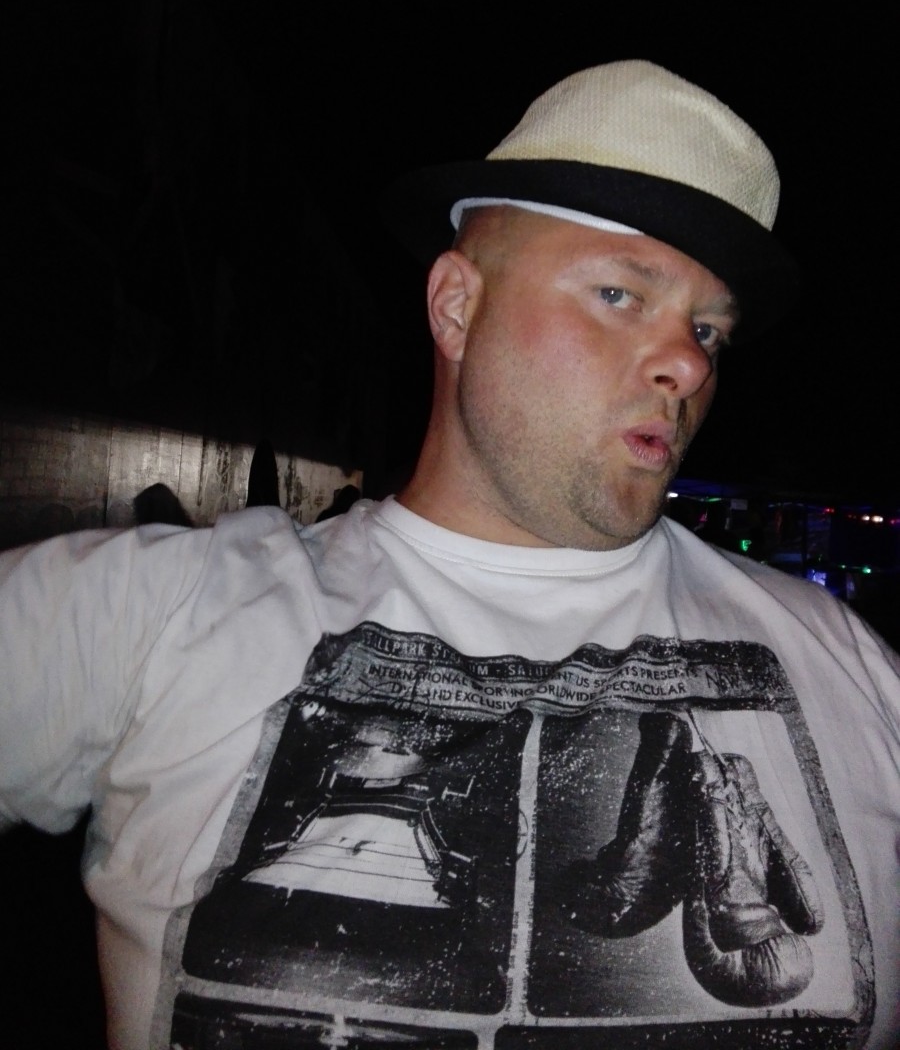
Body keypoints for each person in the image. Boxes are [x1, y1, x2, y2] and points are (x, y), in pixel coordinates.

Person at [2, 61, 898, 1049]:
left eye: (707, 330)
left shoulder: (852, 663)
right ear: (457, 308)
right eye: (617, 293)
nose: (686, 364)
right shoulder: (161, 608)